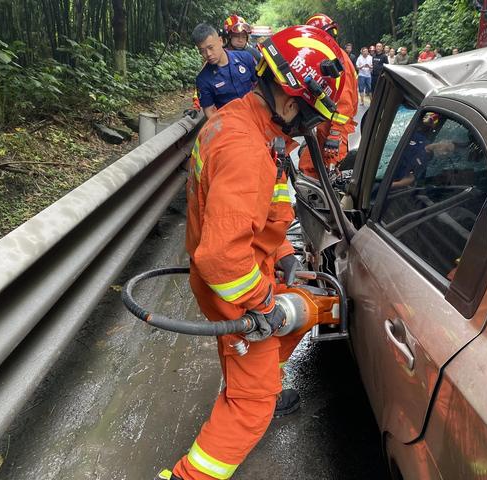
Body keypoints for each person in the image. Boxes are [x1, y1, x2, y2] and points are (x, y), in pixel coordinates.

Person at [156, 25, 348, 480]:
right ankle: (187, 476)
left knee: (304, 310)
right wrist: (264, 304)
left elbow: (249, 211)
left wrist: (281, 250)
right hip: (233, 279)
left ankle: (255, 370)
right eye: (311, 116)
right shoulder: (246, 148)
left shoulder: (246, 121)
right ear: (287, 100)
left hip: (244, 265)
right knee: (252, 406)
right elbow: (222, 256)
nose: (311, 128)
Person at [300, 13, 358, 179]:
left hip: (334, 128)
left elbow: (344, 103)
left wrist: (335, 134)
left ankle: (328, 203)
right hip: (326, 124)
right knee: (310, 167)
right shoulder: (329, 57)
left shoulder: (337, 61)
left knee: (325, 171)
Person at [193, 23, 257, 119]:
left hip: (257, 117)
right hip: (232, 124)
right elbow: (209, 113)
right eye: (202, 51)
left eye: (211, 48)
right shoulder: (203, 79)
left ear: (221, 41)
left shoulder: (245, 58)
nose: (208, 54)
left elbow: (260, 85)